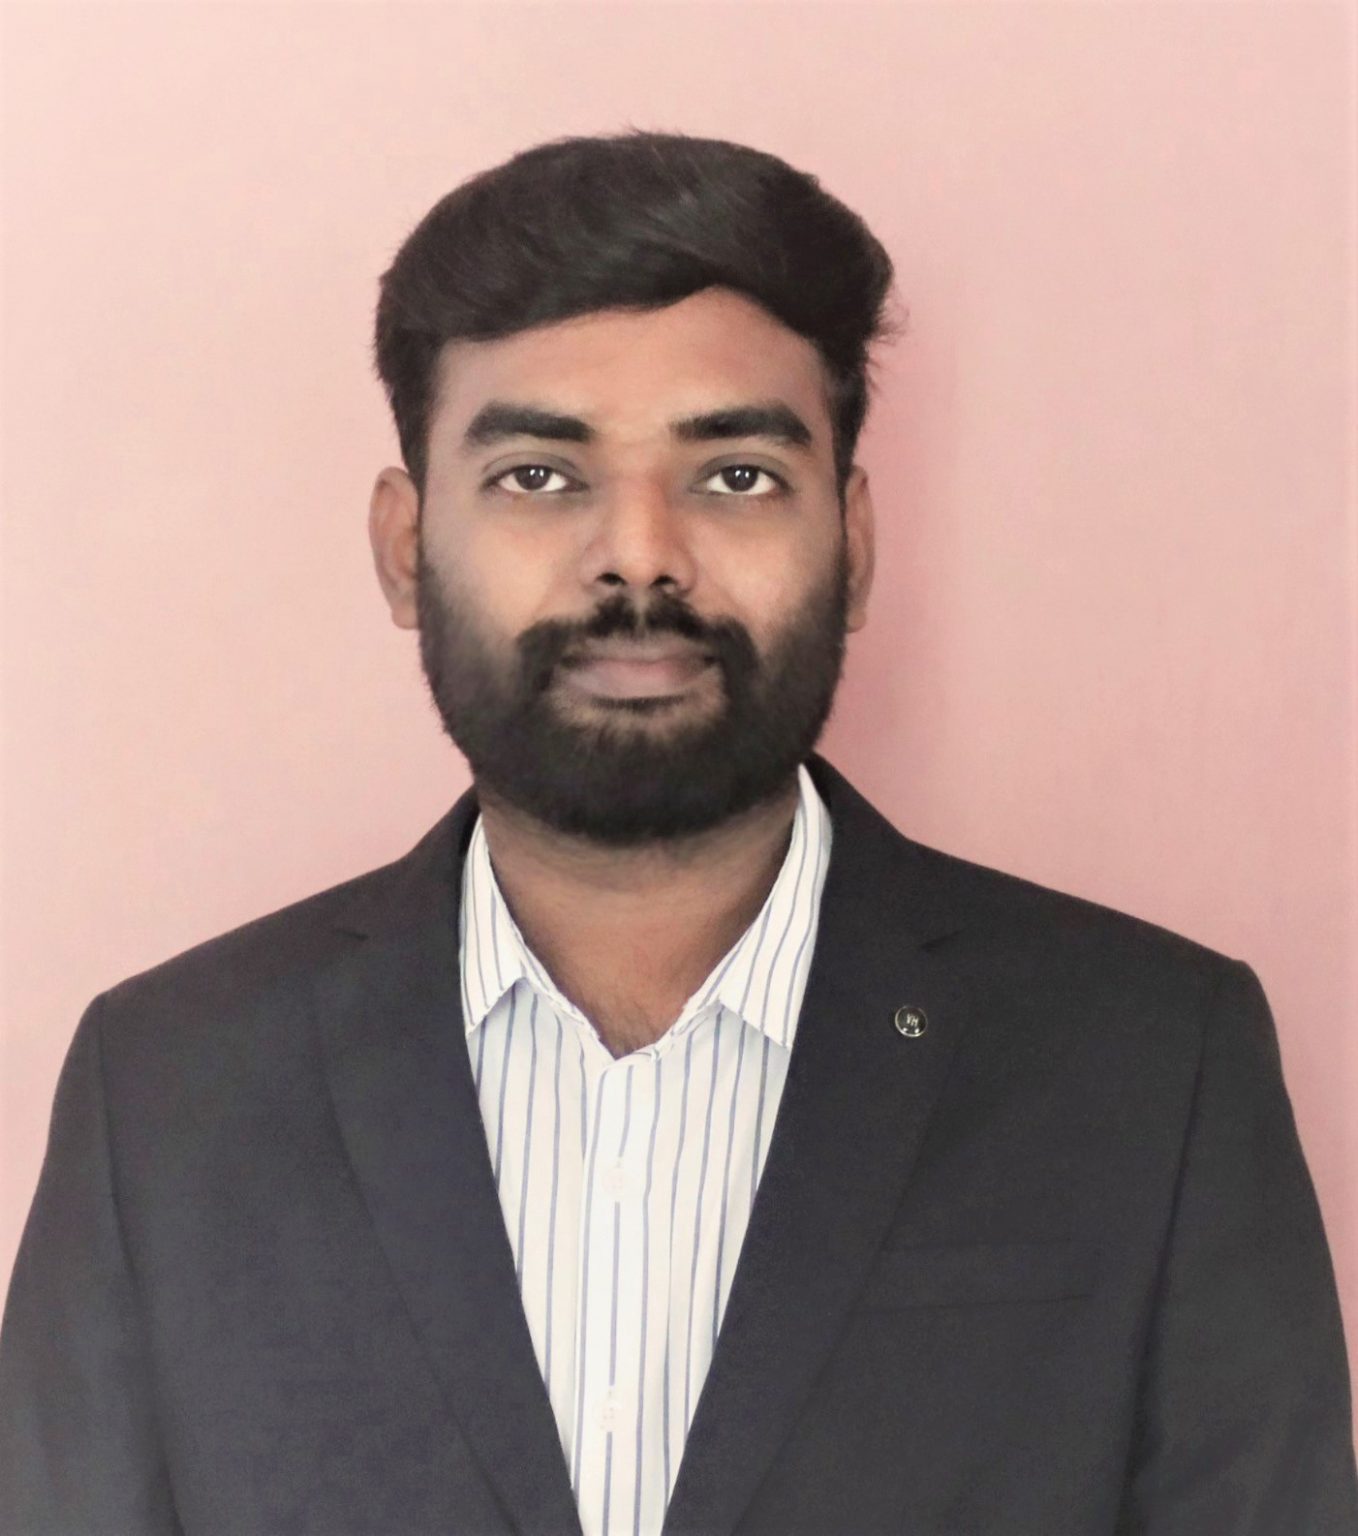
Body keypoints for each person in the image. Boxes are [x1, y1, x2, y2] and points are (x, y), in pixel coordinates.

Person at [1, 129, 1354, 1536]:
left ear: (855, 544)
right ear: (405, 547)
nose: (640, 555)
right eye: (539, 475)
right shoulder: (170, 1097)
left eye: (736, 476)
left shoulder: (1152, 1068)